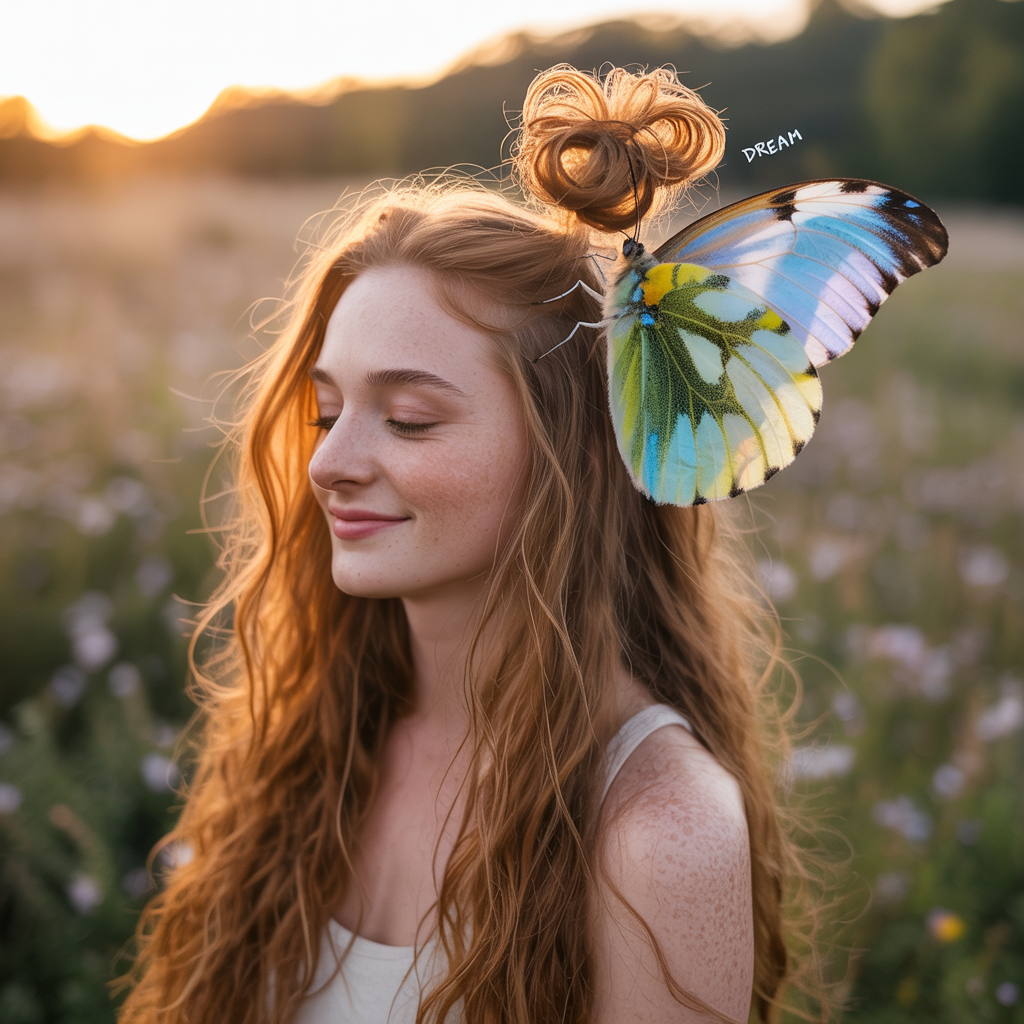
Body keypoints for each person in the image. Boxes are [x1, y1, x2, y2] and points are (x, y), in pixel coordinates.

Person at [119, 65, 825, 1024]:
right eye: (326, 412)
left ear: (580, 447)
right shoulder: (312, 737)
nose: (330, 463)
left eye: (409, 420)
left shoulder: (659, 829)